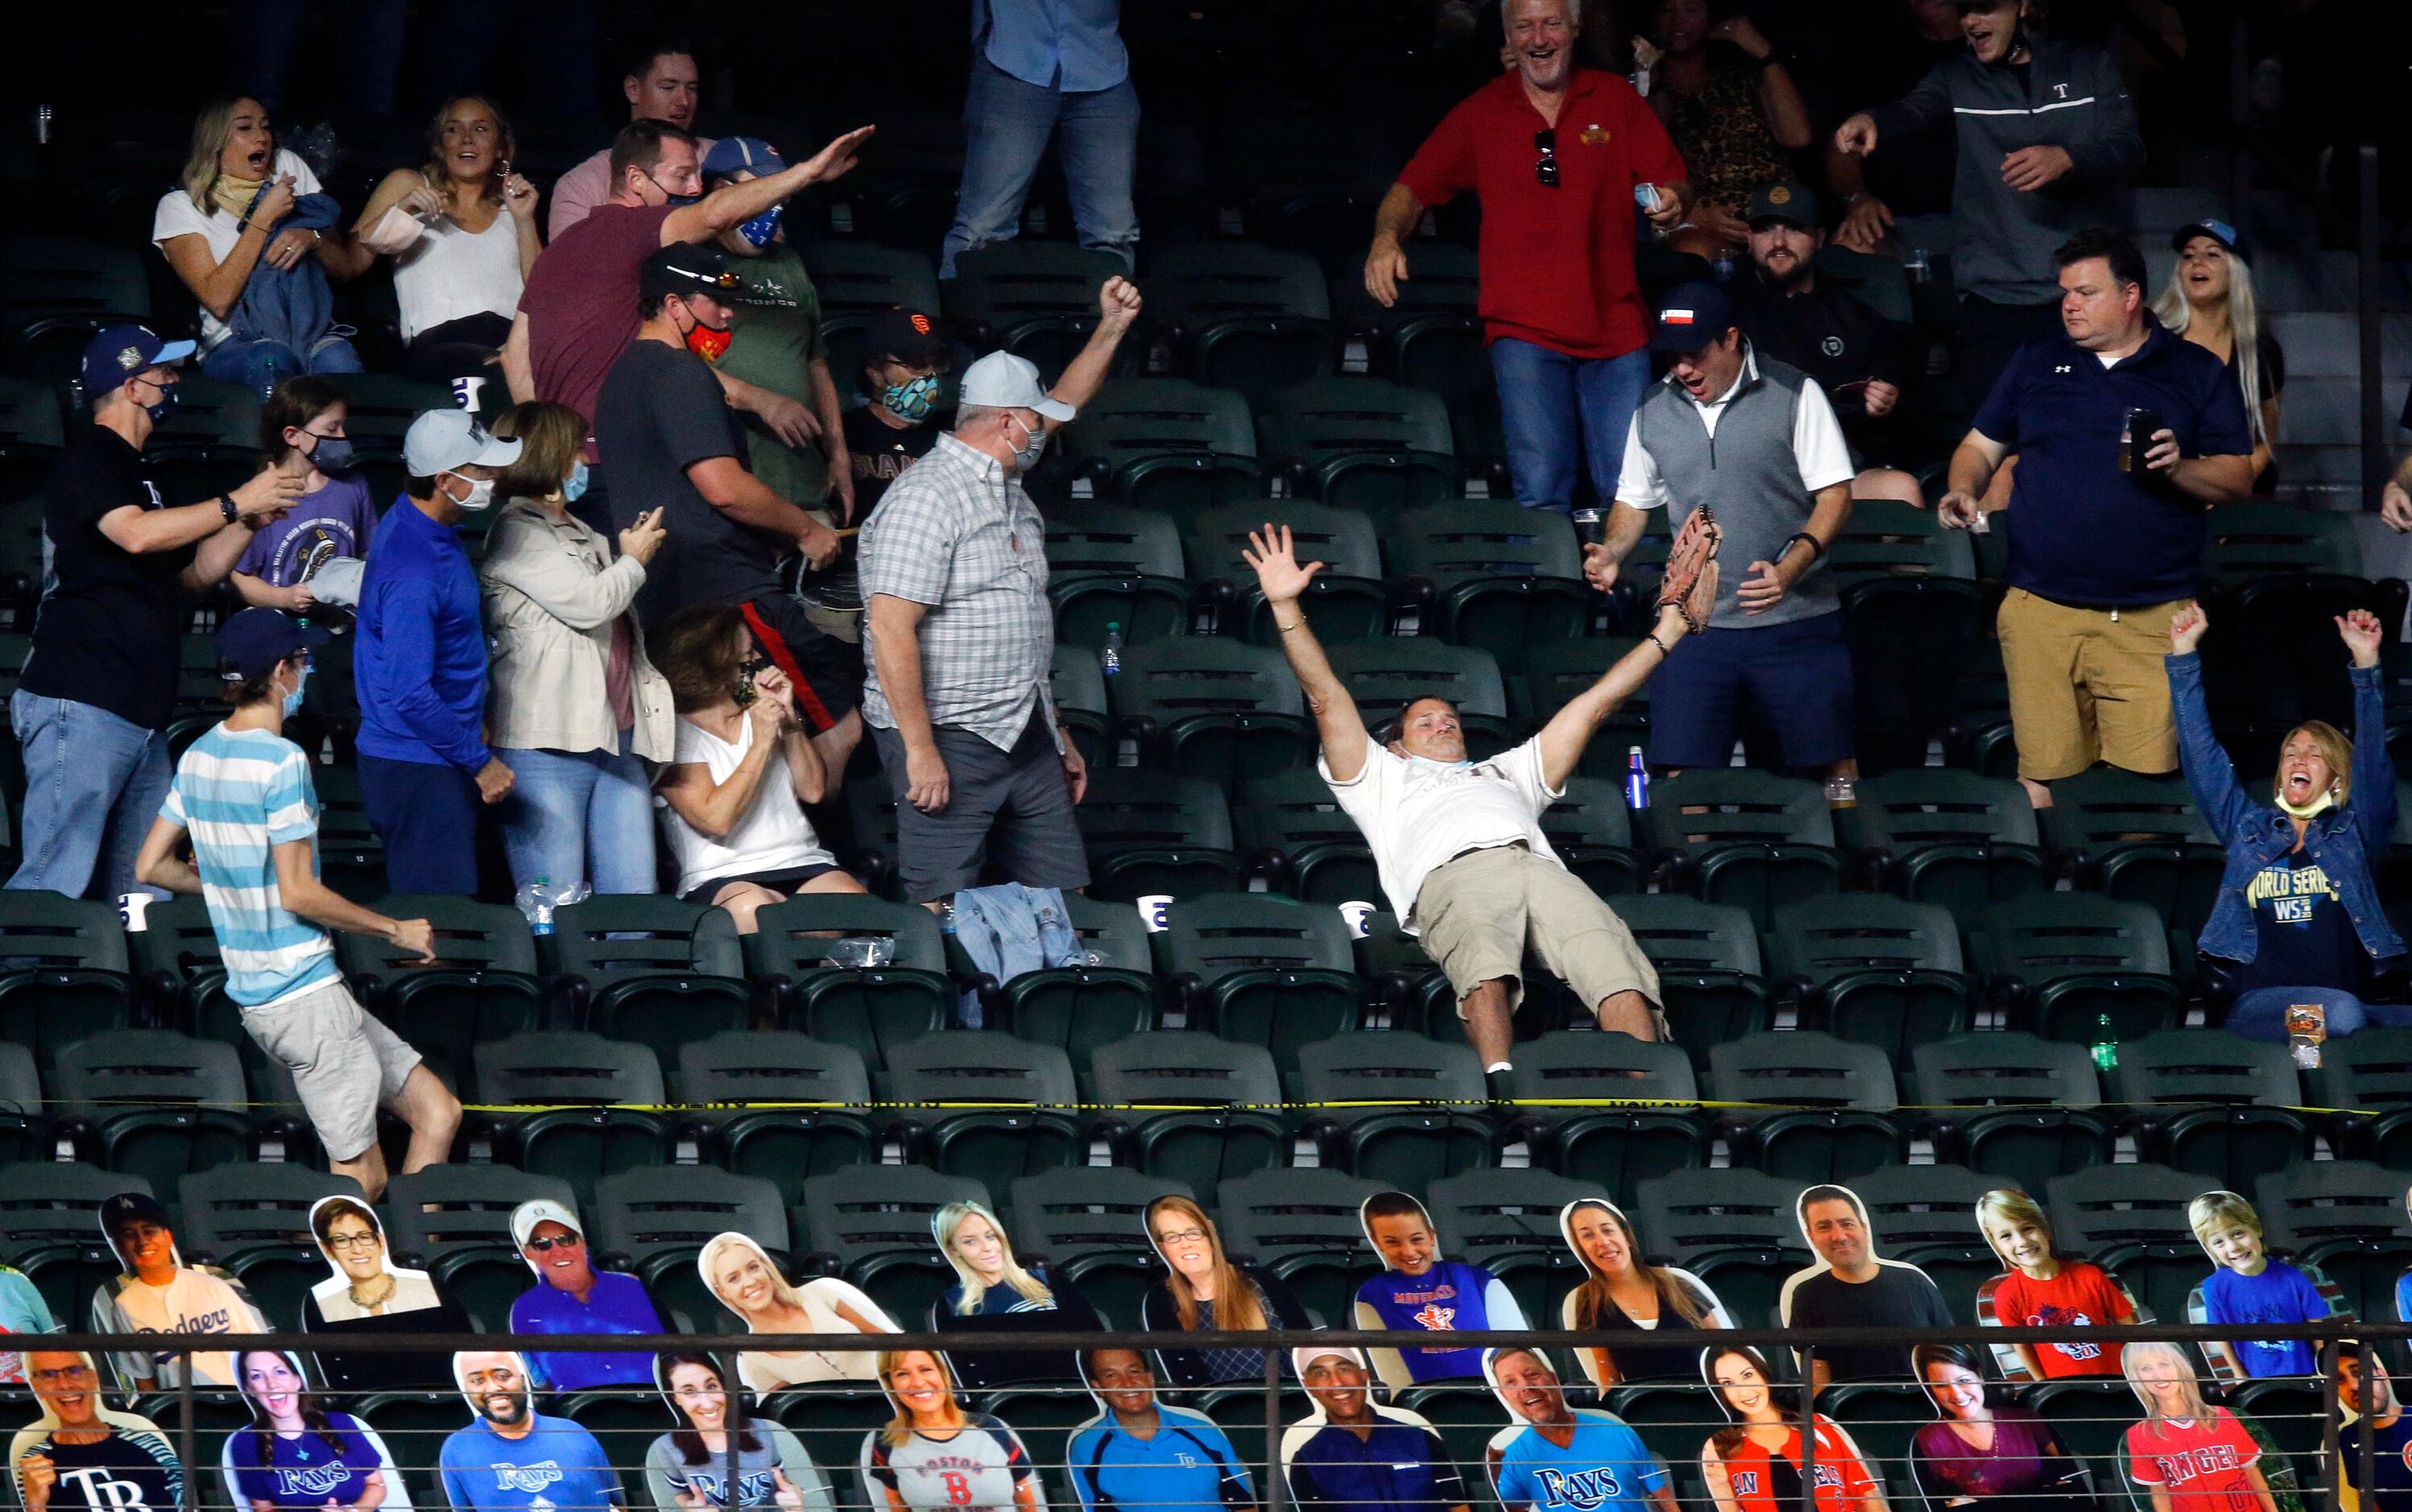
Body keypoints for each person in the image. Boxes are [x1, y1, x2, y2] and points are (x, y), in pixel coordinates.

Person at [1252, 515, 1711, 1069]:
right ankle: (1502, 1089)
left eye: (1449, 718)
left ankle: (1648, 1091)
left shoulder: (1507, 771)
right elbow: (1323, 694)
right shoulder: (1377, 776)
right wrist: (1284, 608)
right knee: (1486, 970)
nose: (1443, 724)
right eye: (1425, 721)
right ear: (1396, 744)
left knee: (1616, 967)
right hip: (1454, 874)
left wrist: (1670, 631)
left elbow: (1595, 705)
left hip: (1537, 869)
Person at [134, 609, 460, 1201]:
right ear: (281, 671)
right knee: (362, 1176)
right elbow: (299, 893)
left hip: (273, 1002)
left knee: (437, 1111)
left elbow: (151, 866)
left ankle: (417, 1262)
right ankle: (366, 1289)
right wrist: (395, 930)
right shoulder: (283, 762)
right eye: (303, 662)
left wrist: (232, 881)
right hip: (304, 1000)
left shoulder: (200, 753)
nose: (307, 672)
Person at [1933, 228, 2253, 812]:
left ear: (2130, 295)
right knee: (2042, 784)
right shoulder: (2037, 359)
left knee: (2136, 797)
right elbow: (1979, 446)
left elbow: (2237, 477)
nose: (2068, 306)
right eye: (2064, 293)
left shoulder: (2194, 369)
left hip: (2152, 617)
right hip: (2041, 611)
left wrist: (2178, 467)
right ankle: (2058, 902)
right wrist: (1962, 488)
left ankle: (2126, 900)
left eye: (2084, 292)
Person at [857, 290, 1142, 907]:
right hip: (948, 730)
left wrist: (1111, 328)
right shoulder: (926, 497)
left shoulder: (1011, 490)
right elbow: (888, 628)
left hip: (1025, 729)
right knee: (941, 904)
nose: (1047, 434)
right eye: (1036, 423)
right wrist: (920, 751)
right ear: (1009, 422)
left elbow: (1065, 403)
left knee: (1064, 897)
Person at [10, 324, 302, 902]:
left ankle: (132, 992)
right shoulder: (91, 456)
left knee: (146, 888)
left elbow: (190, 578)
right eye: (164, 373)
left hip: (137, 709)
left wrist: (248, 521)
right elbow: (136, 537)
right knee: (51, 880)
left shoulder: (144, 474)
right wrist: (235, 501)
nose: (174, 382)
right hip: (84, 698)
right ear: (132, 387)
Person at [1368, 0, 1690, 514]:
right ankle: (1552, 594)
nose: (1538, 38)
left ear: (1576, 27)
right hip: (1525, 330)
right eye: (1524, 25)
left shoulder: (1615, 100)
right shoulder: (1481, 112)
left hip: (1617, 327)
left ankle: (1635, 596)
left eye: (1551, 23)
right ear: (1508, 35)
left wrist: (1674, 199)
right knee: (1541, 495)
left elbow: (1672, 178)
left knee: (1634, 496)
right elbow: (1412, 187)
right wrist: (1386, 238)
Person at [505, 118, 873, 535]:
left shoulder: (560, 251)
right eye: (682, 175)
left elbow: (516, 358)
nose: (695, 187)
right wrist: (809, 172)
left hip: (567, 468)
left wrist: (553, 443)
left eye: (698, 174)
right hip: (624, 471)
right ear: (635, 179)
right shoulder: (632, 232)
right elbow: (716, 215)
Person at [1582, 281, 1860, 799]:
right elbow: (1634, 499)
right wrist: (1614, 551)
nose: (1682, 370)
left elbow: (1836, 496)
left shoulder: (1795, 392)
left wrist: (1792, 567)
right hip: (1694, 626)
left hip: (1795, 621)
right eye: (1673, 357)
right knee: (1682, 778)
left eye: (1694, 355)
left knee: (1831, 772)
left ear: (1732, 339)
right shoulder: (1653, 407)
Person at [594, 247, 858, 785]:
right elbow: (722, 489)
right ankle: (812, 856)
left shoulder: (621, 376)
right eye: (713, 302)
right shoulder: (680, 372)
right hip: (728, 594)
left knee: (734, 735)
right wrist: (806, 528)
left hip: (669, 595)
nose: (726, 314)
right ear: (673, 305)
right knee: (835, 725)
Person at [1833, 0, 2145, 403]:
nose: (1971, 22)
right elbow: (1914, 110)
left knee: (2091, 431)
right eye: (1964, 10)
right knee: (1998, 443)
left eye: (1985, 8)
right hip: (1997, 298)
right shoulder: (1956, 76)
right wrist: (1872, 121)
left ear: (2024, 6)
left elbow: (2130, 147)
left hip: (2084, 293)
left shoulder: (2087, 65)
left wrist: (2068, 159)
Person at [2168, 604, 2406, 1040]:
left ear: (2336, 777)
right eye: (2291, 752)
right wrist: (2183, 659)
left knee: (2355, 1016)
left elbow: (2373, 765)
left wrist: (2367, 666)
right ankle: (2310, 1092)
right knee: (2335, 1014)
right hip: (2260, 1005)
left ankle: (2337, 1099)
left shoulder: (2354, 833)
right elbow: (2203, 759)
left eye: (2315, 754)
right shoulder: (2249, 828)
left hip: (2344, 1003)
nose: (2299, 757)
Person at [481, 400, 674, 898]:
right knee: (554, 901)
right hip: (546, 744)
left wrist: (625, 557)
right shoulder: (516, 531)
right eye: (575, 451)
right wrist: (633, 562)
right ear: (546, 455)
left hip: (616, 739)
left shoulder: (585, 533)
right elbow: (590, 605)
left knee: (634, 901)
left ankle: (628, 976)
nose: (585, 463)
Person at [353, 409, 523, 894]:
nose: (494, 477)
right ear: (445, 480)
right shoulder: (414, 569)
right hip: (419, 765)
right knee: (440, 929)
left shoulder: (414, 521)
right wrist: (479, 761)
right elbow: (410, 692)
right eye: (482, 469)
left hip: (436, 750)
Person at [649, 604, 867, 932]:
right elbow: (716, 819)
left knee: (855, 904)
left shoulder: (763, 713)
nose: (755, 663)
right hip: (722, 876)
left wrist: (791, 724)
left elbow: (813, 791)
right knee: (757, 910)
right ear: (716, 665)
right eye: (746, 656)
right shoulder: (674, 736)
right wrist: (762, 742)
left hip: (802, 862)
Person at [153, 96, 371, 396]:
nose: (262, 137)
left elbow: (344, 267)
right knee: (272, 360)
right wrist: (262, 219)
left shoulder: (287, 166)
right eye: (245, 128)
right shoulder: (180, 205)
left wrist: (312, 238)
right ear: (215, 143)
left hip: (310, 331)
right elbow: (218, 299)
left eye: (266, 128)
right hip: (236, 343)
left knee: (339, 361)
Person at [703, 137, 852, 521]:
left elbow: (816, 364)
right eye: (762, 191)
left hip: (802, 485)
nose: (774, 207)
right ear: (723, 191)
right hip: (728, 488)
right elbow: (666, 361)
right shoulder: (691, 262)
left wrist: (838, 455)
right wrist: (760, 399)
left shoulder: (789, 263)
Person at [1729, 183, 1918, 481]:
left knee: (1899, 489)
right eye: (1766, 230)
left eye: (1793, 229)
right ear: (1750, 239)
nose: (1779, 241)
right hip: (1748, 471)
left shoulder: (1856, 319)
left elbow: (1902, 420)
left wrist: (1884, 405)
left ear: (1818, 238)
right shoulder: (1725, 313)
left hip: (1836, 470)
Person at [940, 0, 1139, 276]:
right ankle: (960, 317)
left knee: (1113, 232)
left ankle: (1111, 319)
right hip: (1012, 60)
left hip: (1101, 63)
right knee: (982, 227)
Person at [353, 95, 542, 383]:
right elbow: (353, 256)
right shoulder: (411, 186)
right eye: (453, 130)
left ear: (500, 146)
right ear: (441, 145)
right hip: (440, 346)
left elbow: (543, 295)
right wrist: (401, 209)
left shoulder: (514, 208)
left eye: (480, 129)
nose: (466, 139)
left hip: (512, 343)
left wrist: (525, 220)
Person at [1639, 0, 1810, 260]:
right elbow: (1645, 162)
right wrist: (1698, 215)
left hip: (1775, 211)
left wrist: (1763, 52)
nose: (1677, 21)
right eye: (1667, 10)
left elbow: (1798, 136)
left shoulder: (1742, 78)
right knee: (1700, 255)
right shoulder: (1647, 89)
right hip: (1700, 223)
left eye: (1691, 10)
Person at [88, 1191, 271, 1390]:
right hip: (179, 1410)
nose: (142, 1242)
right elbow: (144, 1378)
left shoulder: (213, 1285)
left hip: (238, 1402)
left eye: (149, 1231)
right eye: (129, 1235)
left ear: (168, 1236)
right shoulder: (125, 1305)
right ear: (121, 1247)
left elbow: (259, 1351)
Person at [2151, 221, 2283, 494]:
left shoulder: (2261, 351)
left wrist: (2227, 489)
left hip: (2236, 494)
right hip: (2164, 484)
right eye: (2188, 255)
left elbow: (2264, 440)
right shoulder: (2153, 339)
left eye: (2212, 254)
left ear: (2236, 271)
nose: (2197, 262)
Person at [1779, 1184, 1955, 1386]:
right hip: (1853, 1412)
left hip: (1925, 1408)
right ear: (1811, 1237)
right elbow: (1817, 1372)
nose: (1839, 1236)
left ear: (1864, 1228)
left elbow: (1951, 1354)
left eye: (1846, 1223)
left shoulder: (1914, 1281)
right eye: (1824, 1227)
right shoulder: (1807, 1295)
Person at [1353, 1190, 1529, 1388]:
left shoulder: (1477, 1279)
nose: (1409, 1252)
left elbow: (1520, 1351)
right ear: (1377, 1243)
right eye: (1392, 1242)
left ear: (1431, 1236)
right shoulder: (1373, 1293)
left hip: (1494, 1392)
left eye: (1417, 1239)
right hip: (1423, 1399)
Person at [299, 1195, 473, 1392]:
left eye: (364, 1237)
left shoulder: (426, 1286)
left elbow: (469, 1355)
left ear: (380, 1241)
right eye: (342, 1240)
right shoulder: (323, 1303)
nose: (357, 1249)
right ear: (328, 1249)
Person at [231, 376, 377, 611]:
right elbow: (241, 577)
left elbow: (369, 555)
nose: (342, 437)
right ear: (292, 436)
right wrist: (282, 598)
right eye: (332, 428)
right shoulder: (262, 496)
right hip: (280, 623)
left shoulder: (354, 486)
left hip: (342, 622)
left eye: (343, 427)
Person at [548, 39, 717, 239]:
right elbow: (570, 261)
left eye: (691, 88)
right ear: (633, 89)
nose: (683, 101)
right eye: (668, 87)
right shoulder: (582, 184)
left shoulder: (722, 157)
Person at [1138, 1194, 1309, 1388]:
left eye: (1193, 1232)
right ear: (1161, 1247)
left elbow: (1304, 1355)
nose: (1185, 1243)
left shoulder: (1260, 1282)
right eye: (1171, 1237)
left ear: (1210, 1235)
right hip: (1217, 1412)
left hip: (1282, 1405)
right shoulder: (1161, 1301)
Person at [1558, 1197, 1731, 1387]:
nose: (1603, 1241)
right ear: (1579, 1247)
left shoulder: (1677, 1284)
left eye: (1608, 1230)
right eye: (1588, 1236)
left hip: (1706, 1399)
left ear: (1626, 1235)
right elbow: (1608, 1379)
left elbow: (1725, 1350)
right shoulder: (1587, 1301)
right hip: (1644, 1408)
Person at [930, 1199, 1103, 1390]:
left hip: (1075, 1393)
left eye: (990, 1236)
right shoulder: (952, 1304)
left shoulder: (1050, 1282)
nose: (987, 1247)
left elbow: (1096, 1343)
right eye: (970, 1241)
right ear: (954, 1249)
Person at [1484, 1347, 1678, 1512]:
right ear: (1505, 1396)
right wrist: (1492, 1482)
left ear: (1553, 1379)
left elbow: (1663, 1497)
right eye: (1511, 1382)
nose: (1525, 1386)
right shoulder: (1510, 1458)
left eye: (1532, 1374)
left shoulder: (1615, 1430)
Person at [696, 1231, 896, 1391]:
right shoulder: (751, 1360)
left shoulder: (825, 1290)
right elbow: (794, 1415)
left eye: (753, 1268)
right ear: (722, 1292)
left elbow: (896, 1346)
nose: (750, 1282)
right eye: (734, 1278)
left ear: (766, 1267)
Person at [1280, 1346, 1471, 1512]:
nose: (1337, 1382)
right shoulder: (1308, 1461)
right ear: (1310, 1387)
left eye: (1344, 1369)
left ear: (1364, 1376)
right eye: (1321, 1374)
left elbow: (1459, 1507)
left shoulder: (1420, 1440)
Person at [1698, 1345, 1886, 1512]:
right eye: (1728, 1383)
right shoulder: (1720, 1446)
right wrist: (1721, 1485)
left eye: (1748, 1375)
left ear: (1763, 1373)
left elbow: (1868, 1499)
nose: (1744, 1391)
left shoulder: (1821, 1427)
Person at [507, 1198, 667, 1393]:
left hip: (657, 1405)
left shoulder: (632, 1287)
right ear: (528, 1253)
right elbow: (539, 1384)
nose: (557, 1251)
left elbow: (673, 1356)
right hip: (582, 1412)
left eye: (566, 1239)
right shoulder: (524, 1308)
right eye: (542, 1244)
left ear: (582, 1243)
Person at [1973, 1188, 2135, 1380]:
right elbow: (2023, 1349)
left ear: (2046, 1231)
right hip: (2063, 1395)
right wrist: (2044, 1386)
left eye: (2028, 1228)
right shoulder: (2007, 1295)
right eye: (2006, 1236)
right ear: (1998, 1247)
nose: (2022, 1241)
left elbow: (2131, 1331)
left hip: (2118, 1383)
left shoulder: (2090, 1276)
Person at [1067, 1349, 1256, 1512]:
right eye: (1112, 1375)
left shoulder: (1203, 1431)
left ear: (1149, 1378)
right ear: (1099, 1387)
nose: (1127, 1382)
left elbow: (1243, 1504)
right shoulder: (1086, 1447)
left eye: (1134, 1371)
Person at [645, 1351, 834, 1512]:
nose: (707, 1402)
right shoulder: (667, 1447)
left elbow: (782, 1480)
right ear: (675, 1398)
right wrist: (692, 1506)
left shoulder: (765, 1430)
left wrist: (795, 1493)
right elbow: (682, 1493)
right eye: (689, 1391)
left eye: (712, 1386)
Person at [1909, 1344, 2089, 1512]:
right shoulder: (1927, 1441)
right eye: (1941, 1385)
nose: (1956, 1393)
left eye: (1964, 1380)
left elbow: (2076, 1477)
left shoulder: (2026, 1421)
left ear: (1979, 1377)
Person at [220, 1349, 406, 1512]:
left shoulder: (342, 1424)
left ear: (297, 1380)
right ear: (249, 1389)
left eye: (280, 1372)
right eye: (257, 1376)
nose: (272, 1384)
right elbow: (264, 1509)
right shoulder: (246, 1443)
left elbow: (376, 1485)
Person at [858, 1350, 1044, 1512]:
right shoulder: (886, 1439)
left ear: (943, 1374)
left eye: (926, 1369)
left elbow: (1025, 1495)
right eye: (902, 1374)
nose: (918, 1382)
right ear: (890, 1384)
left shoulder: (991, 1428)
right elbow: (896, 1502)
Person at [440, 1350, 623, 1512]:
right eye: (478, 1381)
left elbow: (618, 1504)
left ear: (522, 1379)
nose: (493, 1387)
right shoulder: (457, 1450)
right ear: (466, 1389)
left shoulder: (573, 1433)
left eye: (503, 1376)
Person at [9, 1352, 184, 1512]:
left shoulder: (147, 1444)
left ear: (93, 1378)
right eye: (49, 1375)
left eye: (74, 1370)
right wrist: (35, 1506)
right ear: (37, 1388)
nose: (64, 1384)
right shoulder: (34, 1463)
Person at [2189, 1191, 2331, 1381]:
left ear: (2256, 1229)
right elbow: (2221, 1335)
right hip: (2257, 1379)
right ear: (2210, 1249)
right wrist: (2239, 1374)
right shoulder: (2214, 1287)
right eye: (2219, 1242)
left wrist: (2320, 1367)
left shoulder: (2293, 1277)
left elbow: (2316, 1326)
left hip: (2304, 1375)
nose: (2233, 1247)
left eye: (2238, 1233)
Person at [2121, 1341, 2278, 1512]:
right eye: (2145, 1368)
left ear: (2180, 1367)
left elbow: (2252, 1474)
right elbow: (2160, 1493)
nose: (2158, 1375)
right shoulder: (2139, 1435)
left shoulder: (2222, 1416)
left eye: (2164, 1364)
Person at [844, 309, 954, 520]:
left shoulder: (955, 435)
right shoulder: (846, 435)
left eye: (936, 363)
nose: (930, 375)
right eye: (916, 364)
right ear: (875, 373)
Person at [2336, 1343, 2412, 1512]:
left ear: (2383, 1376)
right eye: (2340, 1380)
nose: (2354, 1386)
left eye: (2358, 1373)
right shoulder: (2348, 1438)